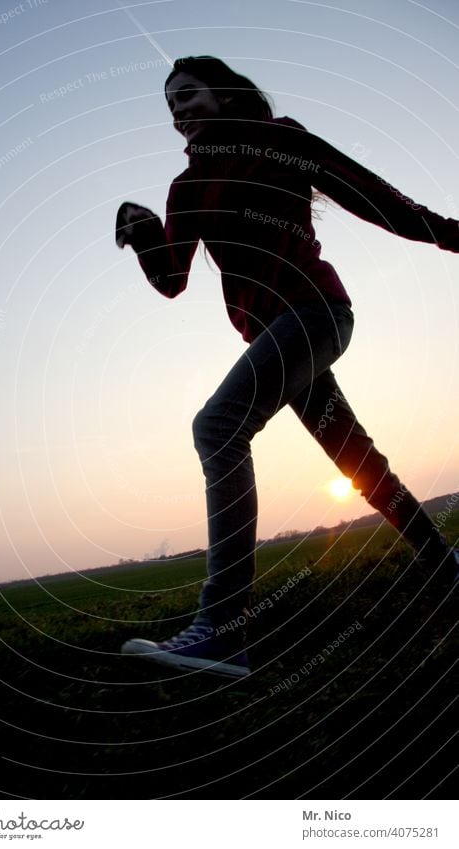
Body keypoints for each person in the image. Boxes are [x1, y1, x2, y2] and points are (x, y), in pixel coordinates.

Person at [117, 56, 459, 678]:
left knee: (217, 427)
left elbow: (372, 197)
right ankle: (445, 564)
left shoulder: (279, 141)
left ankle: (221, 633)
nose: (177, 110)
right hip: (270, 337)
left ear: (224, 94)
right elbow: (172, 280)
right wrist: (141, 231)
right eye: (169, 105)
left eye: (187, 95)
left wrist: (450, 234)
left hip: (315, 314)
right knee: (360, 462)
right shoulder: (185, 189)